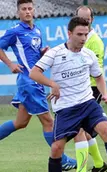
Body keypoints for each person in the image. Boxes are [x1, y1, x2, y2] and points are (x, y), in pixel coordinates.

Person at [29, 16, 107, 172]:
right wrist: (52, 84)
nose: (83, 38)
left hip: (87, 103)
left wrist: (104, 93)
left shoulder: (88, 54)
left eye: (86, 34)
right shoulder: (55, 53)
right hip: (66, 108)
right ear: (69, 33)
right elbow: (34, 73)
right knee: (57, 148)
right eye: (79, 34)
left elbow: (99, 77)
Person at [0, 0, 76, 171]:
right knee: (48, 121)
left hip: (34, 80)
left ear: (34, 10)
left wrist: (42, 52)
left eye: (29, 8)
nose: (27, 11)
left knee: (21, 122)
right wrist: (10, 64)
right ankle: (62, 160)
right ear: (18, 12)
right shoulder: (15, 31)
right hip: (30, 83)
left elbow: (34, 53)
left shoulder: (37, 30)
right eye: (23, 9)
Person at [76, 5, 107, 171]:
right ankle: (100, 164)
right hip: (79, 90)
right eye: (81, 18)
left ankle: (93, 167)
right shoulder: (75, 39)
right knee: (85, 131)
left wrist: (104, 92)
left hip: (91, 89)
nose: (84, 22)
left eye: (87, 19)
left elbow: (96, 72)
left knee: (82, 130)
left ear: (92, 20)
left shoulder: (95, 42)